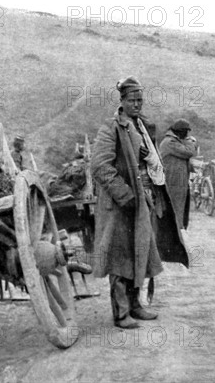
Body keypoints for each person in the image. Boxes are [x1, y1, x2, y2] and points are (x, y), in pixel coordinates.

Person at [90, 77, 189, 329]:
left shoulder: (143, 127)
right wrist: (125, 195)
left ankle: (135, 305)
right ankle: (121, 313)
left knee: (141, 252)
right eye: (132, 100)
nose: (137, 104)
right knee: (120, 255)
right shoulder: (110, 128)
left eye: (140, 100)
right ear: (121, 101)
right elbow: (100, 167)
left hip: (145, 200)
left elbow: (149, 161)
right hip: (121, 204)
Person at [159, 119, 197, 230]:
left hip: (177, 182)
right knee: (175, 210)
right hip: (173, 183)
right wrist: (189, 141)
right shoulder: (170, 142)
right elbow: (189, 152)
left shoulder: (172, 141)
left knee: (177, 210)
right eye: (186, 132)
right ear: (180, 131)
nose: (187, 135)